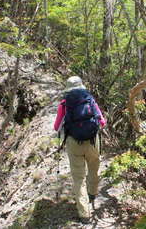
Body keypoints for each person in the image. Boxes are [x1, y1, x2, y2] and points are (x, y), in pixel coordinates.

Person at [53, 76, 106, 224]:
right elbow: (102, 121)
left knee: (78, 178)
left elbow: (56, 127)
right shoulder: (90, 99)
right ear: (81, 86)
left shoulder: (64, 104)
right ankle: (93, 193)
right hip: (92, 141)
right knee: (94, 169)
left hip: (74, 143)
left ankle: (84, 214)